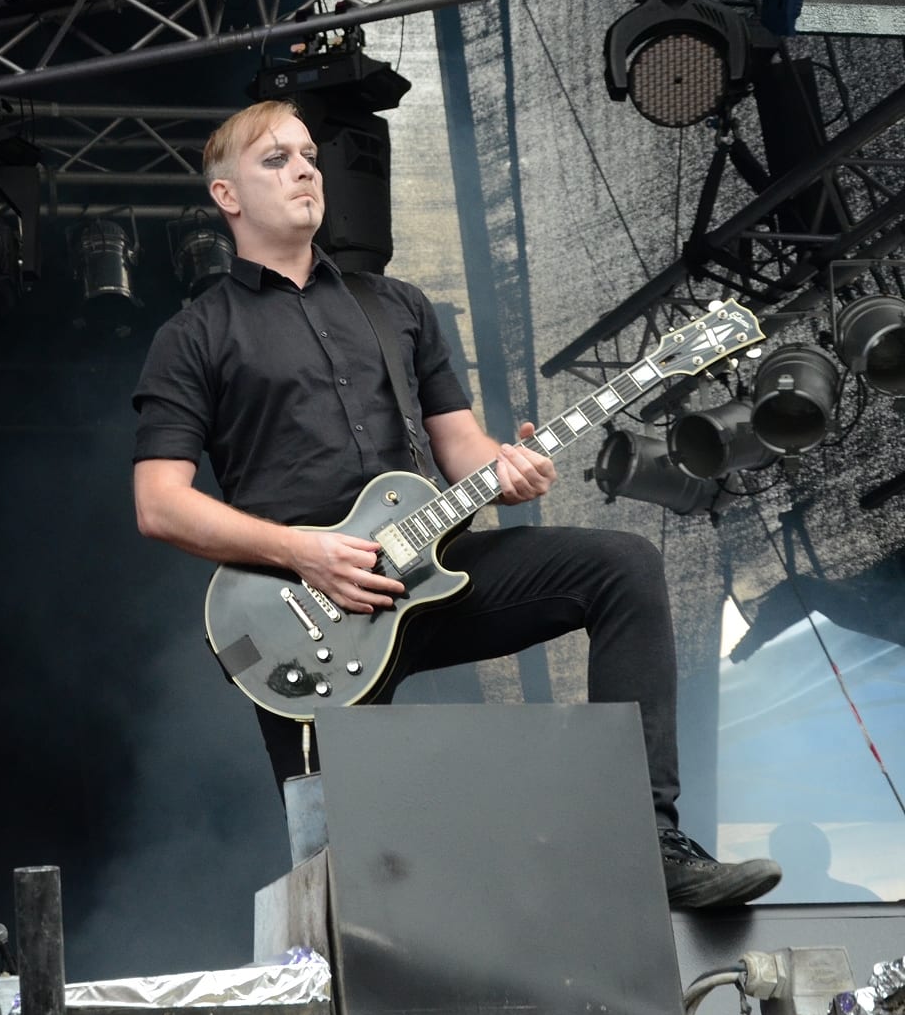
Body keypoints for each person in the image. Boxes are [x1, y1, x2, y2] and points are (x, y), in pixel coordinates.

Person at [130, 98, 780, 910]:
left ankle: (649, 841)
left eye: (309, 156)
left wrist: (509, 468)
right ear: (226, 195)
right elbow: (160, 504)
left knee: (623, 567)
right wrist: (304, 553)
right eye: (276, 160)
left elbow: (461, 448)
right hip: (304, 612)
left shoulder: (396, 305)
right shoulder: (195, 335)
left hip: (430, 568)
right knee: (346, 881)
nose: (304, 171)